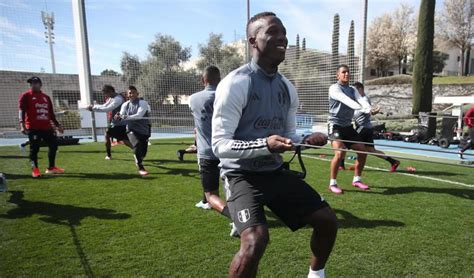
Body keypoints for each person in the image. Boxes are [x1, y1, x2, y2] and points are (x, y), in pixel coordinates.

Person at [212, 12, 337, 278]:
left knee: (326, 220)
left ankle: (316, 275)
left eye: (283, 33)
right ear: (253, 41)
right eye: (272, 32)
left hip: (274, 172)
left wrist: (306, 140)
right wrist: (265, 145)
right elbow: (220, 146)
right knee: (256, 240)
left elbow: (289, 135)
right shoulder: (235, 83)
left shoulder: (287, 88)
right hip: (241, 176)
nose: (282, 38)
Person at [189, 66, 234, 223]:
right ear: (220, 79)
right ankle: (204, 202)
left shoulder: (193, 99)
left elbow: (197, 124)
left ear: (203, 80)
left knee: (211, 194)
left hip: (207, 152)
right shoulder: (229, 96)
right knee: (233, 189)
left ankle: (235, 218)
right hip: (229, 151)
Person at [327, 65, 372, 195]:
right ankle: (332, 183)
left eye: (348, 72)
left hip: (348, 126)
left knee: (363, 151)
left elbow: (362, 100)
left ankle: (357, 180)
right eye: (343, 72)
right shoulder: (334, 88)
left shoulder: (352, 89)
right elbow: (347, 101)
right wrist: (365, 109)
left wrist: (369, 108)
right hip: (335, 126)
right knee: (340, 153)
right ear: (338, 75)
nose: (346, 74)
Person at [346, 82, 400, 172]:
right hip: (367, 128)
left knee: (346, 144)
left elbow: (367, 112)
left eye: (355, 91)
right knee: (370, 150)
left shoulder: (363, 100)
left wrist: (374, 111)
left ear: (360, 89)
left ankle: (344, 165)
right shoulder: (362, 99)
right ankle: (393, 161)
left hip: (362, 128)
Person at [18, 76, 65, 178]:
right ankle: (35, 170)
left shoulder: (46, 97)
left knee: (54, 145)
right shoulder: (25, 96)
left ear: (40, 84)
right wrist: (22, 124)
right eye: (31, 83)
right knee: (34, 150)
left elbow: (51, 114)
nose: (33, 85)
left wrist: (58, 126)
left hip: (46, 127)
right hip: (33, 128)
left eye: (35, 83)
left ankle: (51, 168)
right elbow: (22, 111)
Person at [87, 85, 132, 160]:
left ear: (111, 91)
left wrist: (93, 108)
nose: (105, 95)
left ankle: (109, 155)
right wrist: (93, 107)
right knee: (122, 139)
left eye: (106, 93)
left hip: (120, 122)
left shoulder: (118, 99)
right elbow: (104, 106)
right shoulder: (112, 98)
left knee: (109, 135)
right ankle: (138, 150)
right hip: (117, 122)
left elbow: (108, 109)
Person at [114, 86, 151, 176]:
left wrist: (126, 117)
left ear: (137, 94)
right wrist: (118, 117)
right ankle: (140, 167)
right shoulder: (125, 104)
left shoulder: (143, 103)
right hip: (131, 129)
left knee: (143, 153)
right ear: (127, 95)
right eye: (130, 93)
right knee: (136, 145)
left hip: (144, 130)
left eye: (133, 92)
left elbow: (139, 115)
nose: (132, 94)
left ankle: (138, 157)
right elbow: (121, 115)